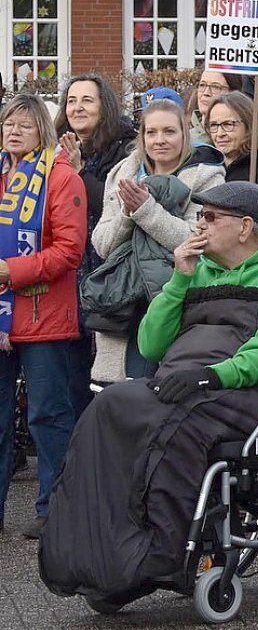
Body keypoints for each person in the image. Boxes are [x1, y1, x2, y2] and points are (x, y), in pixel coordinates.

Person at [40, 181, 258, 606]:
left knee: (172, 427)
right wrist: (178, 280)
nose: (199, 225)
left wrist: (213, 375)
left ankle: (160, 556)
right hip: (183, 384)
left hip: (247, 393)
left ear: (245, 226)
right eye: (199, 216)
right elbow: (151, 344)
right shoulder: (199, 271)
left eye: (210, 217)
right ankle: (98, 554)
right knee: (109, 406)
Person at [0, 95, 87, 537]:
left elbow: (69, 251)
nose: (14, 132)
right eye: (8, 124)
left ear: (43, 133)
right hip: (1, 317)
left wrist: (9, 271)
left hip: (43, 315)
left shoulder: (61, 177)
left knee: (47, 415)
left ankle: (54, 508)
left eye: (25, 126)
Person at [89, 98, 225, 380]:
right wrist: (128, 213)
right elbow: (103, 244)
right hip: (123, 305)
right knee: (117, 400)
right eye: (151, 132)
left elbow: (196, 242)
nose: (159, 140)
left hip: (176, 302)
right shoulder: (123, 174)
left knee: (157, 395)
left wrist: (146, 210)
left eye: (169, 131)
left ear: (184, 134)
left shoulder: (207, 178)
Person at [55, 74, 136, 399]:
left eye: (87, 100)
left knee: (105, 384)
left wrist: (80, 174)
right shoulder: (55, 149)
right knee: (72, 381)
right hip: (67, 278)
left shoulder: (127, 150)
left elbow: (115, 204)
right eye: (72, 101)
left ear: (105, 106)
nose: (78, 107)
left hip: (108, 278)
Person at [205, 91, 258, 231]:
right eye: (214, 125)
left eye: (228, 124)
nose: (220, 133)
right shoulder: (203, 161)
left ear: (249, 125)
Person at [187, 70, 240, 147]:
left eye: (215, 87)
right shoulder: (184, 139)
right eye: (202, 85)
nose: (206, 93)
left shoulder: (243, 140)